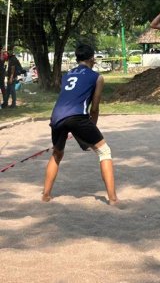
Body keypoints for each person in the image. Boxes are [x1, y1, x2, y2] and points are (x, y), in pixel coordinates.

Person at [42, 42, 118, 205]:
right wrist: (92, 127)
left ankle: (46, 195)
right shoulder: (97, 77)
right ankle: (113, 199)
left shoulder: (67, 75)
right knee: (104, 151)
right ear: (92, 58)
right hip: (77, 117)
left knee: (57, 154)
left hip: (56, 116)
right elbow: (94, 108)